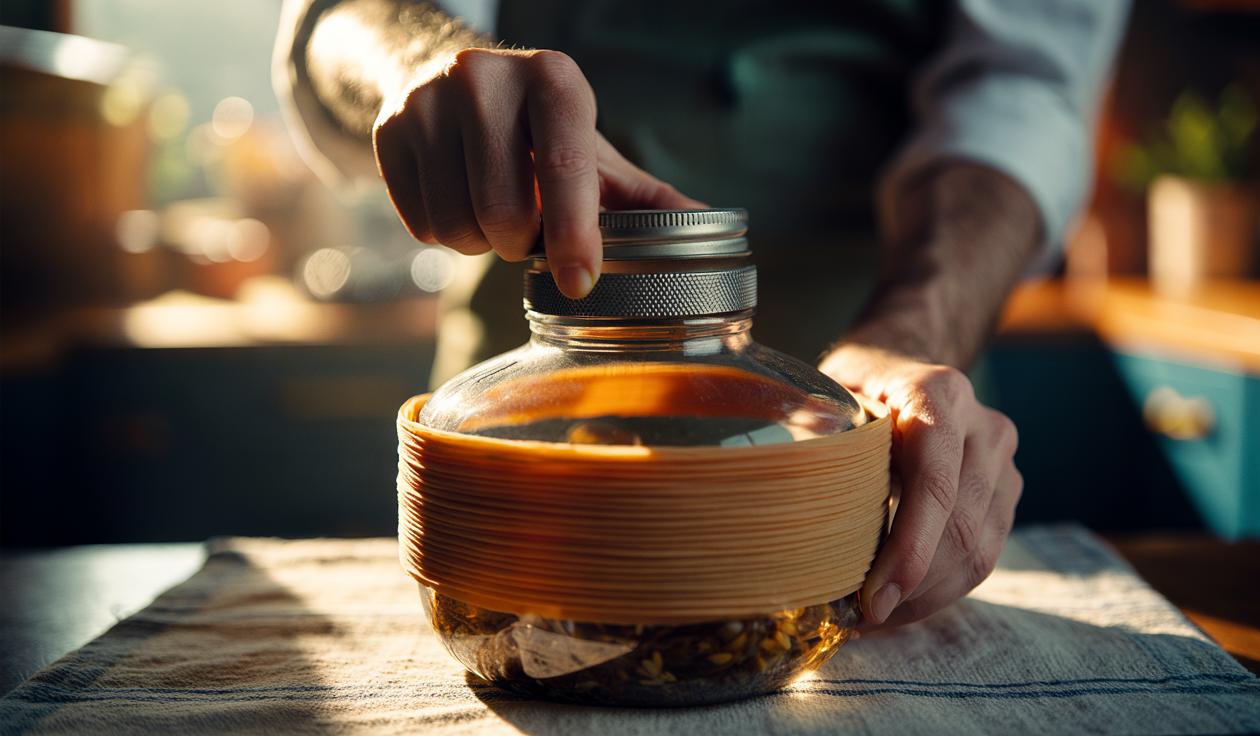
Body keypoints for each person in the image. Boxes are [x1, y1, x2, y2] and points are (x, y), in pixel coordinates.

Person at [274, 0, 1129, 629]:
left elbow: (1023, 89)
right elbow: (339, 17)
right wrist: (420, 60)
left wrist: (911, 339)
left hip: (883, 367)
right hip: (522, 421)